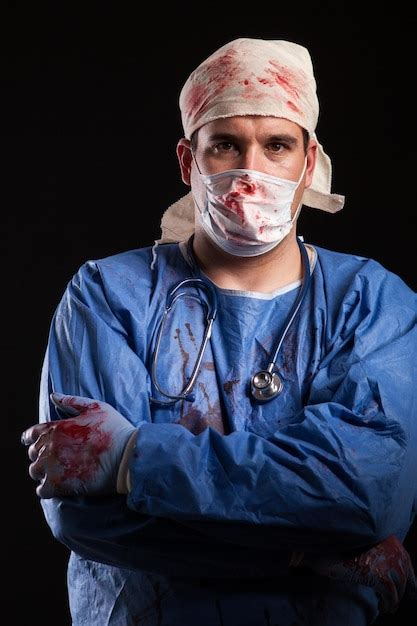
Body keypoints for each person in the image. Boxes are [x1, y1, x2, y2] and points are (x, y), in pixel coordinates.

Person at [21, 37, 417, 626]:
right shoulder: (108, 296)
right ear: (189, 162)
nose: (249, 174)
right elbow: (83, 514)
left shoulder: (370, 300)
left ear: (308, 163)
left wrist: (133, 458)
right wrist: (309, 551)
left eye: (276, 146)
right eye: (225, 145)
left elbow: (365, 494)